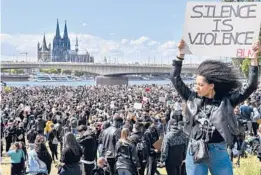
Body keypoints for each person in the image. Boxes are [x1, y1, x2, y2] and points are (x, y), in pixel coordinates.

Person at [171, 40, 260, 175]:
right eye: (196, 84)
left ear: (211, 85)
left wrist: (254, 58)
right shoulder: (192, 98)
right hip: (195, 149)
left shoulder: (227, 101)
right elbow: (175, 78)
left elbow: (251, 86)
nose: (197, 88)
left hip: (218, 151)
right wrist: (180, 54)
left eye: (200, 85)